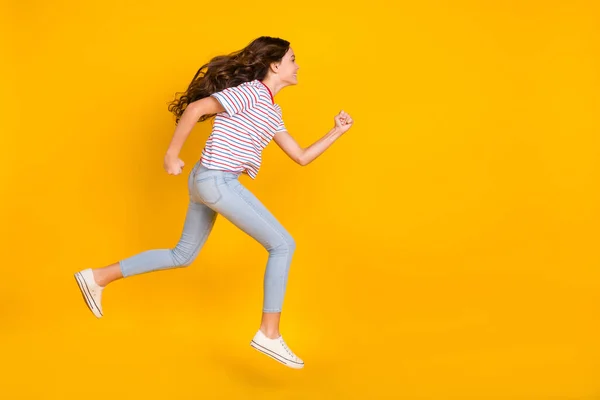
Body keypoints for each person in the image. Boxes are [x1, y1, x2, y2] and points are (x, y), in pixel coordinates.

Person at [74, 36, 353, 369]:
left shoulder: (271, 109)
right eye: (293, 59)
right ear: (275, 65)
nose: (298, 65)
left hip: (206, 179)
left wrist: (335, 132)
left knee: (182, 255)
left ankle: (98, 277)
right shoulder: (251, 92)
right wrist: (171, 154)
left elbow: (301, 156)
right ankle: (269, 332)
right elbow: (197, 108)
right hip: (216, 179)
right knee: (283, 245)